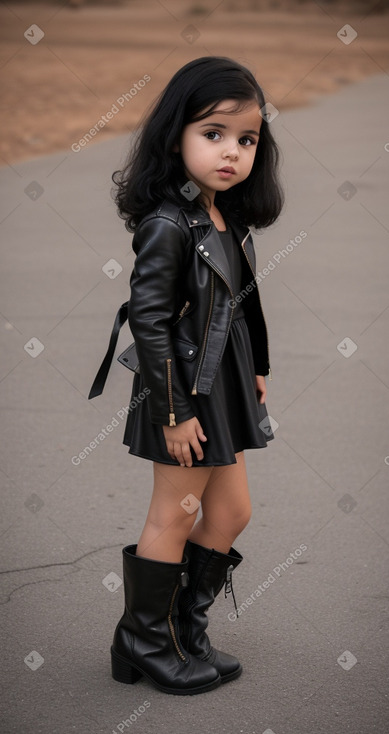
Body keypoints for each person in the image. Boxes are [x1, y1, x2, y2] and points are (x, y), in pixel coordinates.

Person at [89, 56, 284, 696]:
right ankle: (146, 641)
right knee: (177, 513)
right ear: (177, 136)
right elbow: (149, 323)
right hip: (178, 390)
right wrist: (174, 413)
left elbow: (243, 304)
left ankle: (181, 628)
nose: (231, 151)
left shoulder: (229, 218)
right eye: (214, 134)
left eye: (246, 139)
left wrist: (256, 369)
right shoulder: (168, 224)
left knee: (231, 513)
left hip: (221, 386)